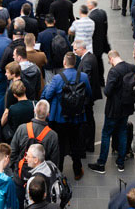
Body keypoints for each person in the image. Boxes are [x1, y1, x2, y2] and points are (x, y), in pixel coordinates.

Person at [39, 51, 90, 179]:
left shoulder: (57, 78)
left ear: (64, 62)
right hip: (77, 117)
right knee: (75, 144)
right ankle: (77, 171)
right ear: (75, 63)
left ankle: (59, 170)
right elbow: (88, 93)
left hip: (59, 118)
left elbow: (48, 95)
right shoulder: (83, 76)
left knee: (60, 145)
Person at [89, 49, 135, 174]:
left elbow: (107, 91)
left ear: (111, 59)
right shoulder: (131, 67)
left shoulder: (114, 71)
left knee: (106, 134)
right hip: (127, 107)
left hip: (113, 109)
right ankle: (120, 162)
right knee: (122, 132)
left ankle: (101, 163)